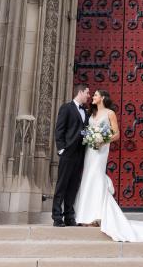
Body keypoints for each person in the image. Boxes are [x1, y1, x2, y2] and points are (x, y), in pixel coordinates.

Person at [73, 89, 143, 242]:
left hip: (101, 151)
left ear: (103, 98)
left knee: (96, 177)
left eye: (96, 95)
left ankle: (95, 215)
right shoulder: (91, 113)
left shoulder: (110, 113)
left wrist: (103, 140)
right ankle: (85, 216)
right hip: (90, 150)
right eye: (92, 95)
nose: (93, 97)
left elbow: (117, 134)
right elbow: (88, 130)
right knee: (87, 178)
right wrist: (91, 137)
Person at [52, 85, 90, 227]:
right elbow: (59, 129)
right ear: (80, 92)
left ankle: (69, 216)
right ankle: (57, 216)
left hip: (80, 154)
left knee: (73, 186)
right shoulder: (66, 108)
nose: (88, 95)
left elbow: (84, 131)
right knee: (62, 185)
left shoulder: (85, 112)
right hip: (68, 153)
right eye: (87, 92)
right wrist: (61, 149)